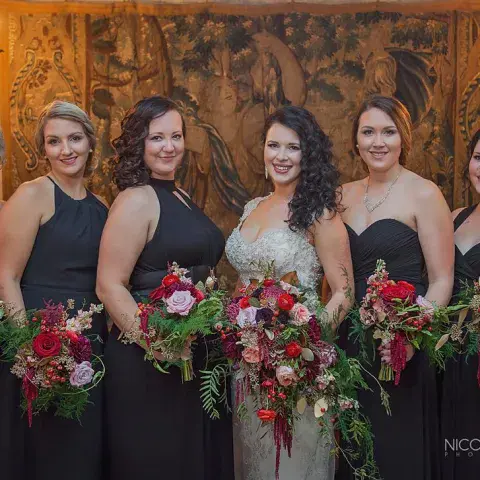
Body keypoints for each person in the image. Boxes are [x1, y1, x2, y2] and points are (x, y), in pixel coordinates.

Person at [95, 95, 234, 480]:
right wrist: (158, 344)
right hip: (148, 363)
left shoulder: (178, 194)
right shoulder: (136, 199)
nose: (169, 147)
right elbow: (109, 285)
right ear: (140, 143)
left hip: (193, 357)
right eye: (157, 137)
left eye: (176, 136)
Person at [226, 105, 354, 480]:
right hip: (246, 362)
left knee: (290, 462)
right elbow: (242, 283)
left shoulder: (319, 212)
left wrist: (304, 346)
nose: (281, 156)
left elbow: (344, 291)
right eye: (273, 145)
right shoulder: (253, 207)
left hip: (296, 365)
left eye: (292, 147)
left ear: (307, 154)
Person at [337, 95, 454, 480]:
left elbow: (441, 280)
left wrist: (410, 333)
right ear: (356, 141)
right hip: (350, 346)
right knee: (353, 449)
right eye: (368, 132)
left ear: (403, 137)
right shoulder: (341, 196)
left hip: (401, 349)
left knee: (396, 452)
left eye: (388, 132)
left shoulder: (425, 193)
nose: (378, 142)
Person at [0, 100, 108, 480]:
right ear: (42, 149)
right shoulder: (32, 196)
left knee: (80, 449)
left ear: (90, 143)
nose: (66, 150)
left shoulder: (102, 207)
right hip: (38, 339)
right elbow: (6, 277)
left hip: (88, 343)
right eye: (54, 142)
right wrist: (28, 351)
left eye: (75, 138)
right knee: (42, 450)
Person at [441, 128, 480, 479]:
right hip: (445, 353)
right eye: (479, 157)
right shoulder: (454, 216)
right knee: (447, 445)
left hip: (479, 361)